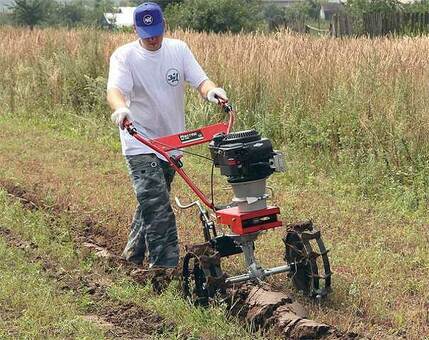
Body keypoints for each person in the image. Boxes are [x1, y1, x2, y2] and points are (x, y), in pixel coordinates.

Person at [106, 2, 228, 275]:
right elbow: (115, 90)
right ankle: (164, 268)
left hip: (171, 143)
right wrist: (120, 109)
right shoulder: (124, 56)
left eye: (157, 31)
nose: (152, 37)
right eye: (146, 31)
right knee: (157, 205)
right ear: (135, 29)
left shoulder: (178, 49)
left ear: (165, 26)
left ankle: (131, 257)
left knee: (151, 201)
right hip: (140, 141)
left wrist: (212, 92)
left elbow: (200, 81)